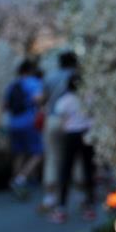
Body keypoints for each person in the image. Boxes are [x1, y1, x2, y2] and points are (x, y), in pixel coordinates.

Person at [49, 74, 96, 224]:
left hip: (70, 136)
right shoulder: (89, 98)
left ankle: (61, 207)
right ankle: (89, 206)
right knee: (88, 170)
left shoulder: (64, 101)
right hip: (87, 135)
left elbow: (62, 121)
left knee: (66, 170)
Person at [39, 51, 78, 211]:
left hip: (54, 119)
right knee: (78, 159)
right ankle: (82, 195)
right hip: (75, 122)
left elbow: (42, 99)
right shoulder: (79, 76)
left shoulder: (50, 77)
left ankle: (50, 197)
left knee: (53, 157)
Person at [5, 59, 43, 198]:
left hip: (13, 123)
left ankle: (16, 183)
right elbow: (38, 99)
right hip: (29, 122)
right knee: (38, 153)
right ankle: (20, 180)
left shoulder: (12, 85)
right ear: (30, 70)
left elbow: (5, 104)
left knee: (19, 154)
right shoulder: (34, 83)